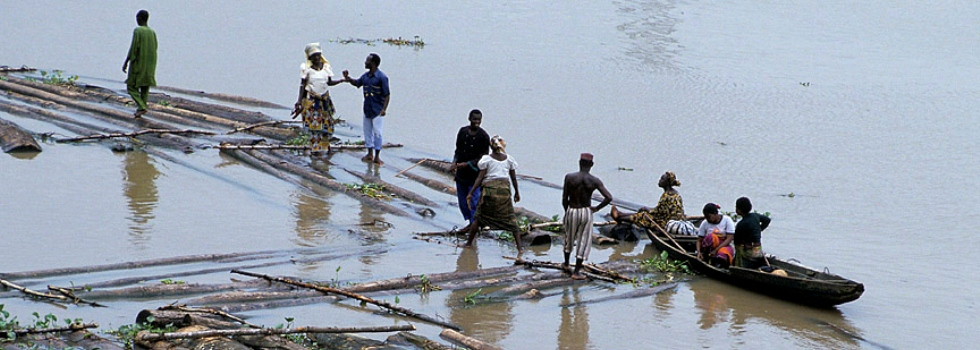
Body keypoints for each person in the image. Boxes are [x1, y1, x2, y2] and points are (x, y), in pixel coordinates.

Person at [462, 135, 523, 252]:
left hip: (489, 192)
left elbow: (480, 178)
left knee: (479, 218)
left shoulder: (487, 159)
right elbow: (513, 178)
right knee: (511, 220)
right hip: (504, 192)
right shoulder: (509, 159)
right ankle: (520, 248)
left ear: (491, 147)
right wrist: (517, 193)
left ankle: (468, 244)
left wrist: (471, 192)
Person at [561, 153, 613, 280]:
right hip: (585, 211)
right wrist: (597, 208)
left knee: (569, 237)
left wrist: (567, 211)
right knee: (583, 240)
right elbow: (609, 197)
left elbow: (564, 198)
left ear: (579, 162)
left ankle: (566, 264)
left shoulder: (569, 177)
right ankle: (577, 272)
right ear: (591, 165)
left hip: (572, 210)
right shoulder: (594, 180)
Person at [292, 43, 343, 154]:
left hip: (325, 100)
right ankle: (315, 149)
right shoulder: (307, 70)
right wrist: (299, 101)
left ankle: (326, 147)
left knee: (327, 125)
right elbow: (303, 86)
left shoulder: (326, 68)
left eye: (318, 55)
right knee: (314, 127)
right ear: (310, 58)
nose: (317, 58)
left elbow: (329, 82)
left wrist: (341, 81)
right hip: (312, 101)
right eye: (314, 56)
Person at [343, 53, 390, 165]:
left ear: (373, 63)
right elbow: (357, 83)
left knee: (377, 132)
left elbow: (387, 95)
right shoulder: (366, 76)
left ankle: (377, 156)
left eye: (367, 61)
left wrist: (384, 109)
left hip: (377, 109)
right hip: (367, 109)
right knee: (367, 131)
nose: (365, 62)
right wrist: (348, 79)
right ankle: (369, 153)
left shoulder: (382, 77)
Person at [450, 109, 490, 228]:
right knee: (462, 202)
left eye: (479, 120)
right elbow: (458, 150)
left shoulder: (484, 136)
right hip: (461, 175)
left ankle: (474, 226)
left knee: (474, 201)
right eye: (474, 120)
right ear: (469, 119)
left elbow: (483, 157)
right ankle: (470, 222)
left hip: (475, 175)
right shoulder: (462, 132)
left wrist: (467, 164)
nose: (476, 123)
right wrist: (454, 163)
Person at [609, 171, 686, 230]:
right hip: (674, 221)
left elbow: (658, 212)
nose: (659, 180)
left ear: (667, 183)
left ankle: (619, 216)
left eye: (662, 179)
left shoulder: (667, 196)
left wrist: (646, 209)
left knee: (643, 216)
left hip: (668, 223)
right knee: (644, 213)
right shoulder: (675, 193)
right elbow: (662, 210)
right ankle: (620, 214)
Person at [121, 9, 158, 119]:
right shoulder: (152, 32)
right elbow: (155, 48)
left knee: (131, 86)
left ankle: (141, 106)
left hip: (139, 63)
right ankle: (140, 109)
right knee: (145, 87)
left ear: (140, 19)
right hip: (150, 63)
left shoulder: (138, 31)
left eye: (137, 18)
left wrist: (127, 61)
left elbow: (134, 47)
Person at [732, 197, 771, 268]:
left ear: (739, 210)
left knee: (738, 247)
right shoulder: (755, 216)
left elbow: (736, 241)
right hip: (758, 250)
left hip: (749, 253)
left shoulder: (741, 224)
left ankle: (738, 266)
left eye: (736, 207)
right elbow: (767, 220)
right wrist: (759, 229)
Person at [696, 203, 735, 268]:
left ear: (715, 214)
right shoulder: (705, 223)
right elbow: (699, 240)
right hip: (708, 249)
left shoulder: (727, 220)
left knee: (722, 254)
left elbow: (729, 238)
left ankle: (720, 264)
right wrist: (698, 252)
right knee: (710, 237)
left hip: (724, 246)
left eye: (709, 217)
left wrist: (716, 250)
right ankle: (705, 257)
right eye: (706, 217)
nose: (707, 219)